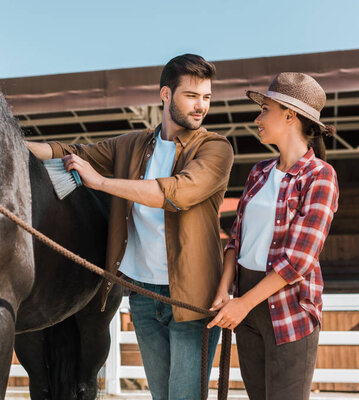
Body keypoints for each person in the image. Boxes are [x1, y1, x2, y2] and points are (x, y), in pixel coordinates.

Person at [27, 54, 233, 400]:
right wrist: (8, 145)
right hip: (143, 297)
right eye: (192, 96)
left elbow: (175, 192)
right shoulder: (134, 144)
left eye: (206, 97)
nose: (201, 106)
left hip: (191, 300)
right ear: (166, 95)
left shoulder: (215, 148)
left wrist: (101, 183)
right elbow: (70, 151)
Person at [207, 72, 339, 400]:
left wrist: (243, 304)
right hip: (245, 301)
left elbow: (298, 260)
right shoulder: (258, 172)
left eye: (264, 109)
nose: (257, 118)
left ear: (289, 115)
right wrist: (226, 291)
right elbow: (235, 239)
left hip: (289, 307)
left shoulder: (321, 176)